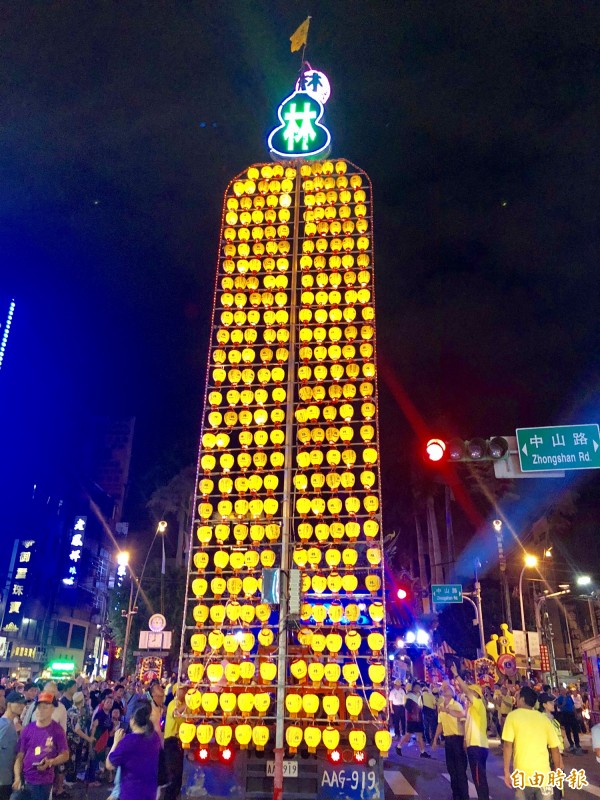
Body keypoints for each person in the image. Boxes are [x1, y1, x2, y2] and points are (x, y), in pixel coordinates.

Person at [502, 686, 561, 799]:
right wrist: (557, 771)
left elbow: (508, 746)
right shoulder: (544, 719)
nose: (516, 699)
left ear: (522, 699)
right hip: (544, 776)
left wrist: (506, 772)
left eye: (518, 696)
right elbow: (555, 748)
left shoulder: (513, 716)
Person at [13, 691, 70, 800]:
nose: (40, 710)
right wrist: (17, 778)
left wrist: (50, 762)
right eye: (39, 707)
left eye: (45, 707)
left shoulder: (57, 730)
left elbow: (65, 754)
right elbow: (20, 756)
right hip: (26, 780)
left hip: (44, 782)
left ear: (53, 709)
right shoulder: (27, 729)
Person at [106, 702, 161, 800]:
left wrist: (116, 742)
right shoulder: (154, 738)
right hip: (150, 793)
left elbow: (110, 765)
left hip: (132, 793)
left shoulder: (128, 741)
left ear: (133, 720)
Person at [451, 665, 489, 800]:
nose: (467, 697)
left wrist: (456, 675)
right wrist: (446, 710)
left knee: (479, 779)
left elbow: (466, 691)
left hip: (478, 747)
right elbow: (460, 714)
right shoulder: (470, 709)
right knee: (478, 777)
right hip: (475, 747)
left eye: (470, 694)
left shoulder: (478, 704)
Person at [432, 682, 468, 800]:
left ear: (452, 694)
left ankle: (464, 796)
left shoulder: (456, 705)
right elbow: (440, 724)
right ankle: (456, 794)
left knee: (460, 769)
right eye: (443, 689)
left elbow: (463, 720)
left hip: (458, 738)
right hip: (448, 739)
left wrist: (465, 739)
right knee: (451, 769)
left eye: (447, 689)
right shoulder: (441, 706)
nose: (444, 690)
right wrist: (435, 738)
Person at [163, 684, 189, 800]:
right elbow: (175, 714)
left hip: (178, 742)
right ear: (176, 691)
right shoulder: (173, 704)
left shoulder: (182, 706)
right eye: (183, 689)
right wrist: (188, 703)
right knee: (173, 775)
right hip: (171, 742)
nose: (185, 692)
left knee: (178, 775)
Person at [539, 692, 564, 800]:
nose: (553, 704)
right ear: (544, 705)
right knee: (554, 789)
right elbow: (551, 743)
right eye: (550, 702)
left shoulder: (550, 717)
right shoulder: (544, 719)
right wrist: (559, 760)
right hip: (552, 757)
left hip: (555, 756)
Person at [0, 692, 25, 799]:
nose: (22, 706)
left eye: (23, 704)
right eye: (18, 703)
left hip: (7, 777)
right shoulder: (4, 725)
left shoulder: (10, 724)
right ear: (9, 704)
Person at [65, 691, 93, 785]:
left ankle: (73, 779)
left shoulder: (78, 710)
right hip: (72, 741)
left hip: (78, 741)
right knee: (72, 762)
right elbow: (77, 729)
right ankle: (69, 780)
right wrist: (88, 738)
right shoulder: (73, 712)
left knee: (77, 760)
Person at [396, 683, 431, 758]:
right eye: (416, 687)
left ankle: (422, 752)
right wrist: (412, 714)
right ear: (413, 688)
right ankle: (398, 747)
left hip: (419, 719)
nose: (418, 689)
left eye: (419, 687)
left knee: (419, 735)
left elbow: (421, 707)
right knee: (408, 734)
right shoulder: (409, 696)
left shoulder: (419, 695)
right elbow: (407, 707)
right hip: (412, 719)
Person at [88, 691, 114, 786]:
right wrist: (91, 741)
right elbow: (94, 727)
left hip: (104, 739)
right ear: (103, 702)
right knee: (94, 759)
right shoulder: (100, 714)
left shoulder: (109, 714)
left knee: (98, 758)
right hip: (97, 738)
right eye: (107, 702)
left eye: (111, 703)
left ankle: (93, 777)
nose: (109, 704)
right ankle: (91, 780)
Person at [556, 687, 582, 753]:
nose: (564, 691)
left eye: (565, 690)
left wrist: (575, 714)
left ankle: (577, 744)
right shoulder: (559, 698)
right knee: (567, 730)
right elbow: (559, 707)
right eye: (562, 690)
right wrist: (563, 704)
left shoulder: (569, 697)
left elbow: (573, 706)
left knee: (575, 729)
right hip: (565, 715)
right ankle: (571, 744)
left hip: (572, 714)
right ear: (560, 691)